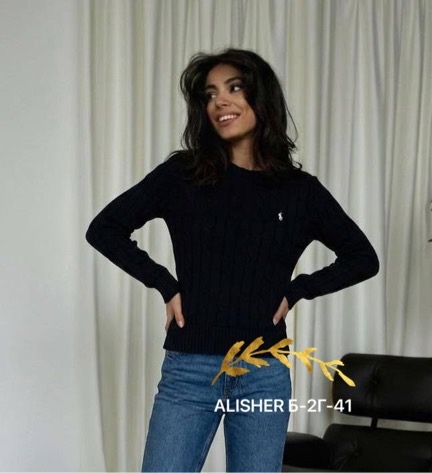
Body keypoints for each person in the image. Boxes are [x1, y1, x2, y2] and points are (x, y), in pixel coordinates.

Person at [86, 48, 379, 472]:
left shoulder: (300, 191)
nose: (219, 101)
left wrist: (297, 290)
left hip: (263, 373)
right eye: (209, 95)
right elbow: (104, 229)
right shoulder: (183, 175)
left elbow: (362, 257)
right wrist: (165, 284)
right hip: (190, 370)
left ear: (261, 98)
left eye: (234, 88)